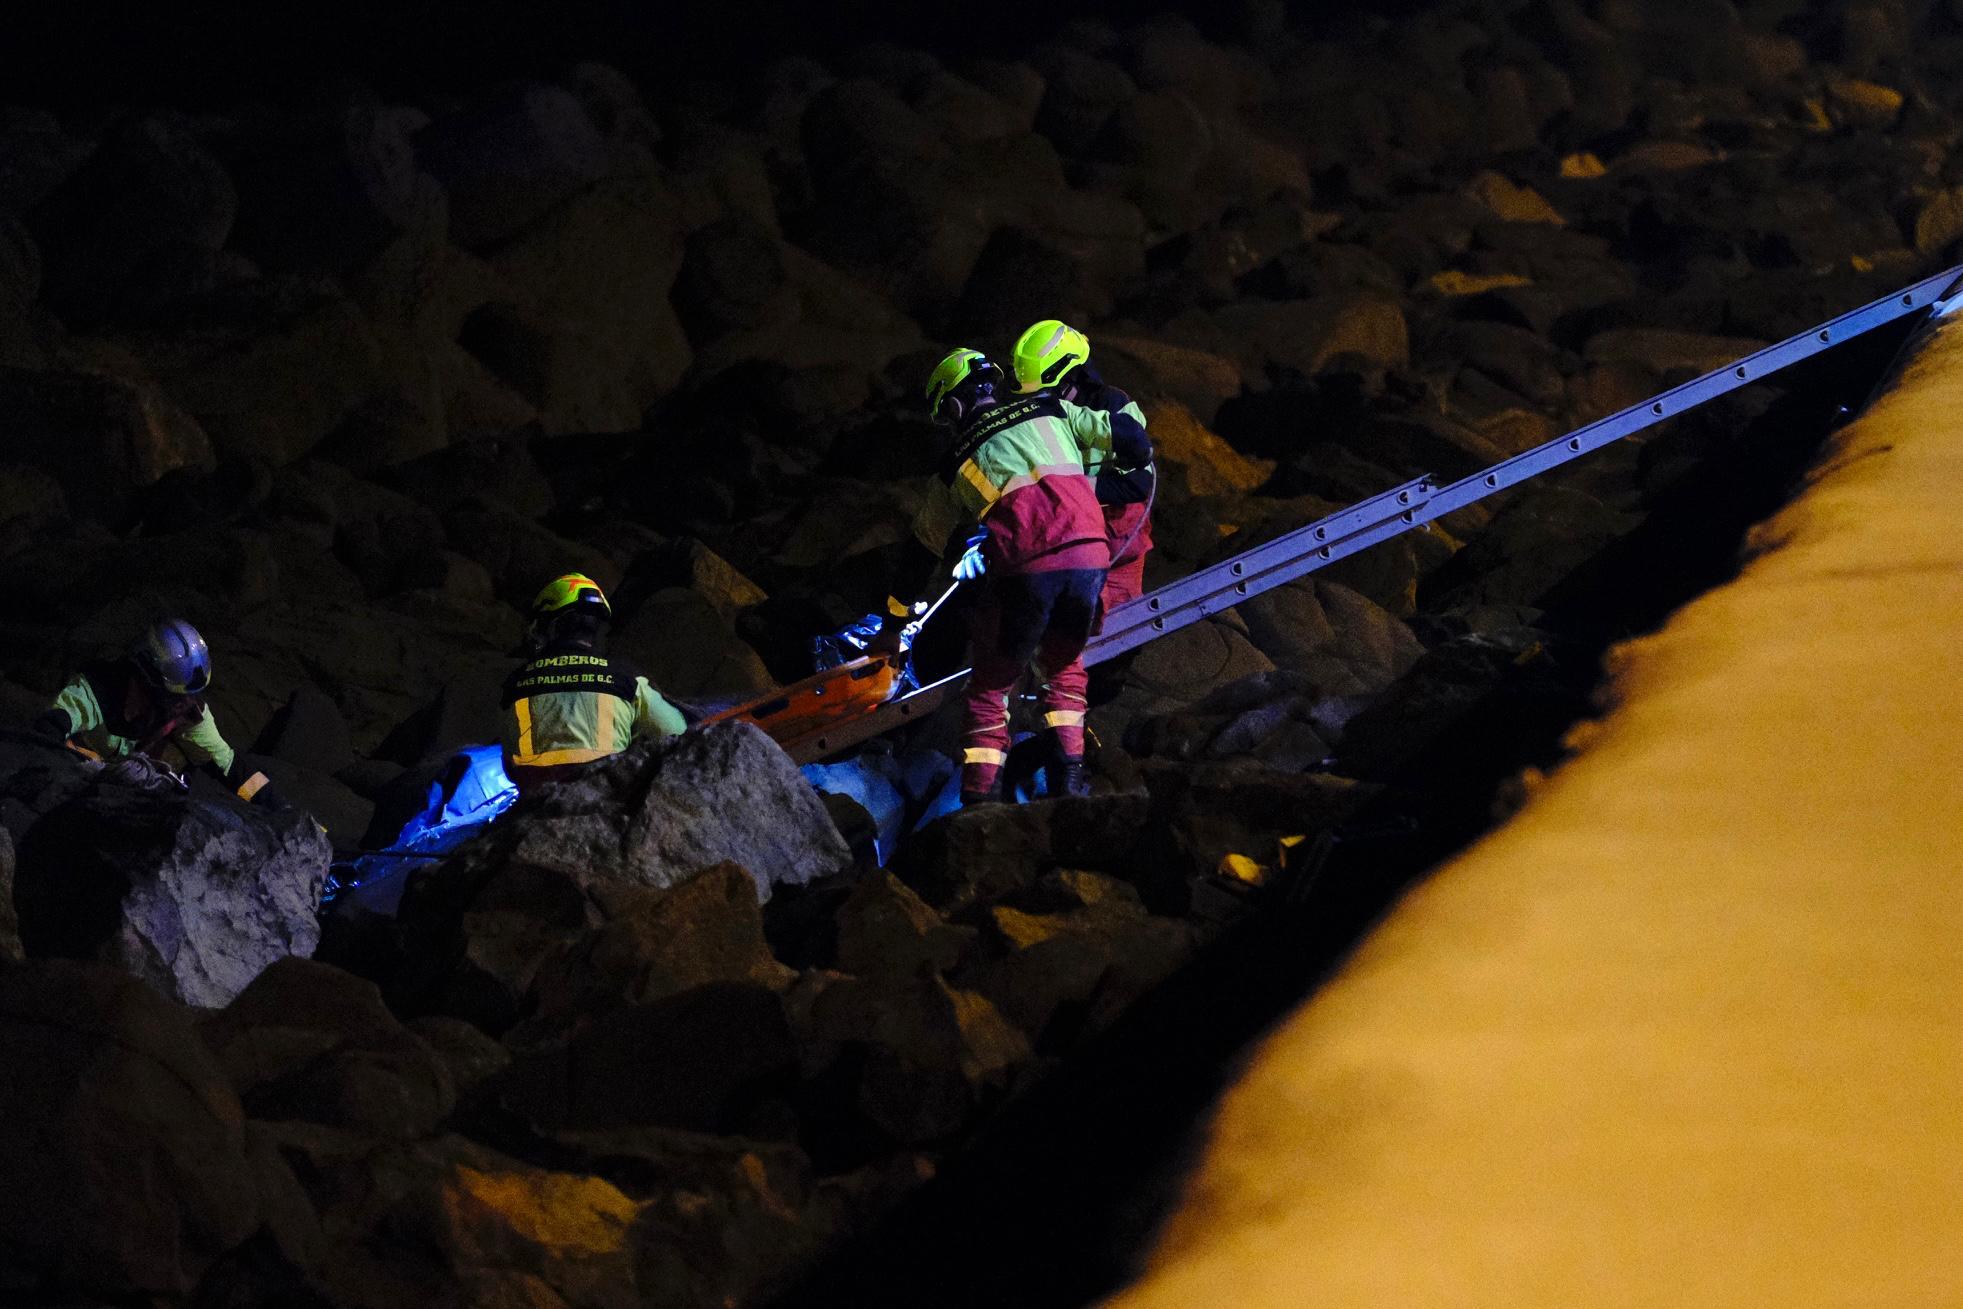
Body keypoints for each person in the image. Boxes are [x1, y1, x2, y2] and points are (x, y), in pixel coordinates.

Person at [871, 346, 1150, 804]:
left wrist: (892, 625)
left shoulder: (955, 461)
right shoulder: (1052, 408)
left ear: (955, 406)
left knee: (991, 682)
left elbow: (921, 553)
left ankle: (979, 798)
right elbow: (1134, 444)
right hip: (1090, 557)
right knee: (1064, 664)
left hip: (1029, 568)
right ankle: (1069, 782)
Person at [31, 617, 273, 802]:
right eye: (175, 695)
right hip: (73, 779)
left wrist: (278, 808)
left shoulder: (188, 711)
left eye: (190, 695)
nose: (185, 702)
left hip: (123, 794)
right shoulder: (98, 688)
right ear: (147, 677)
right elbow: (48, 729)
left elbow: (229, 766)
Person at [1010, 319, 1156, 618]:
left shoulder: (1112, 405)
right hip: (1069, 540)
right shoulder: (1040, 415)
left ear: (1073, 376)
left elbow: (1141, 482)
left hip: (1118, 540)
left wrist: (1076, 489)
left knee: (1120, 631)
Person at [500, 572, 687, 795]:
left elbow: (510, 761)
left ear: (549, 625)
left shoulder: (515, 683)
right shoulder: (625, 678)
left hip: (535, 801)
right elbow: (677, 732)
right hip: (605, 794)